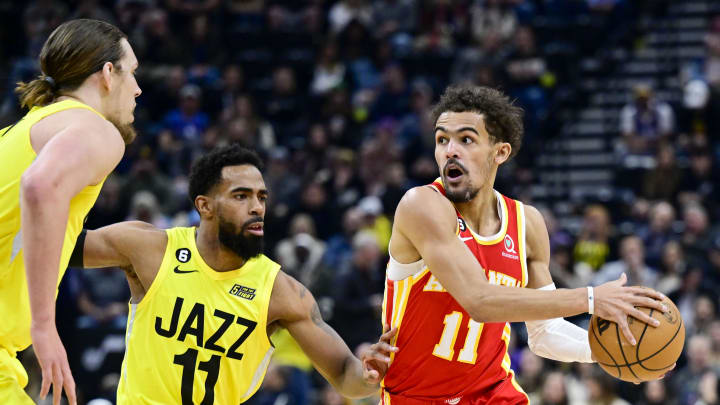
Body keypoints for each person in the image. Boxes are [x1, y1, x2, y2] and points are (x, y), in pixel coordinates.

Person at [381, 85, 668, 404]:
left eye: (466, 139)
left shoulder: (526, 223)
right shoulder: (421, 205)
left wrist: (616, 352)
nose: (450, 150)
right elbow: (479, 301)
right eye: (442, 139)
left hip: (492, 392)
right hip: (416, 397)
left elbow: (545, 334)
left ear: (500, 152)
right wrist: (590, 299)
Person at [72, 145, 396, 404]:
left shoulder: (280, 291)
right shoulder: (150, 248)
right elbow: (56, 247)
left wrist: (370, 375)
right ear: (205, 206)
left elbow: (344, 374)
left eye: (262, 196)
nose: (257, 207)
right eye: (241, 196)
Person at [0, 19, 141, 405]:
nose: (138, 89)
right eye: (133, 73)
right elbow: (40, 187)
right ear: (108, 74)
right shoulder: (96, 130)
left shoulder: (19, 131)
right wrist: (45, 325)